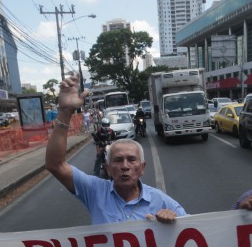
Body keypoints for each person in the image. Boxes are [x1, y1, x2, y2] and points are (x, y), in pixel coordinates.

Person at [46, 75, 186, 224]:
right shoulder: (95, 191)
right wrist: (65, 111)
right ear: (108, 168)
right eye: (118, 160)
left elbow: (197, 230)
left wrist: (173, 224)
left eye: (132, 160)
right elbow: (55, 165)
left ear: (142, 168)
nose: (125, 166)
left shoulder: (161, 200)